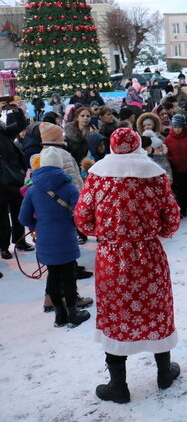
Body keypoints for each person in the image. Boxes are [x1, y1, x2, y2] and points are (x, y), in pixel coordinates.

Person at [74, 128, 182, 403]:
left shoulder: (97, 176)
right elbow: (172, 216)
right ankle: (164, 373)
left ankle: (118, 386)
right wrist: (157, 232)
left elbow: (83, 217)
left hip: (112, 257)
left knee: (116, 315)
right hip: (149, 255)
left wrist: (106, 232)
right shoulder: (155, 174)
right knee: (156, 309)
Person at [18, 150, 90, 328]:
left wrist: (39, 224)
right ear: (59, 165)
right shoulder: (69, 187)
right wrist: (73, 223)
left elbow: (23, 218)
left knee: (53, 275)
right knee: (68, 275)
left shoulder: (33, 189)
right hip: (66, 237)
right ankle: (73, 313)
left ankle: (60, 315)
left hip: (44, 238)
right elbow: (80, 213)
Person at [0, 100, 30, 260]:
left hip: (14, 177)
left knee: (19, 212)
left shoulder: (3, 130)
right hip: (1, 182)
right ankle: (3, 247)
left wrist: (17, 110)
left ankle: (20, 241)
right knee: (2, 217)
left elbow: (19, 126)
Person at [164, 114, 187, 217]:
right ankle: (182, 210)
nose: (178, 129)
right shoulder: (168, 139)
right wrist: (171, 160)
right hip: (177, 169)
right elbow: (167, 153)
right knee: (180, 191)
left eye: (179, 127)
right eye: (176, 127)